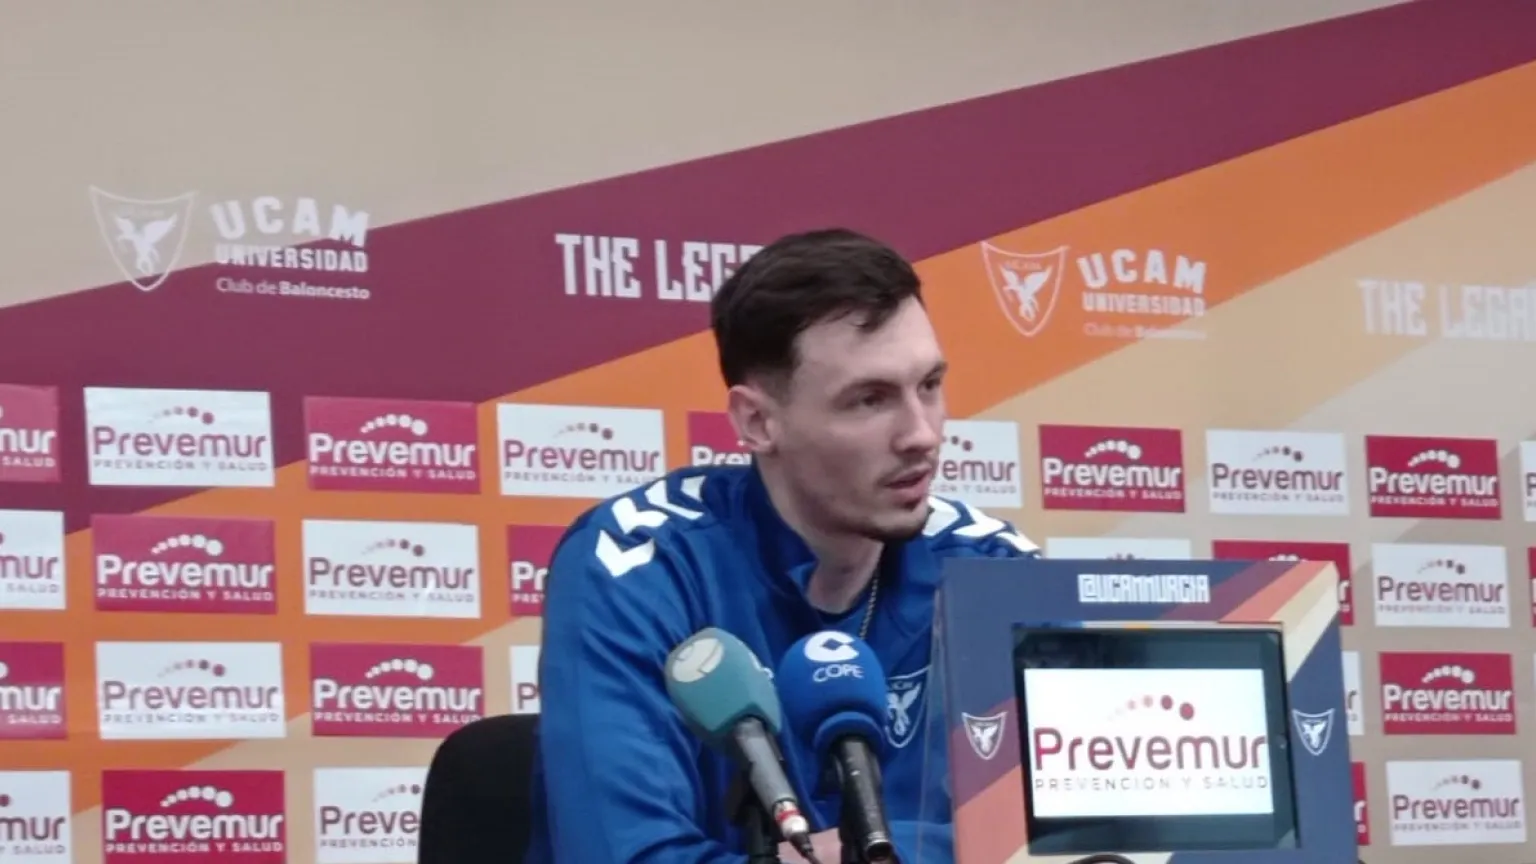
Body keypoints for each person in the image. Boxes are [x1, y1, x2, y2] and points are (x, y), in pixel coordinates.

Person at [524, 228, 1040, 864]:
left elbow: (1097, 843)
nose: (922, 434)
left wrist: (846, 854)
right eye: (870, 399)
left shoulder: (995, 573)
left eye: (929, 384)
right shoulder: (639, 566)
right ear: (758, 422)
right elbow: (623, 856)